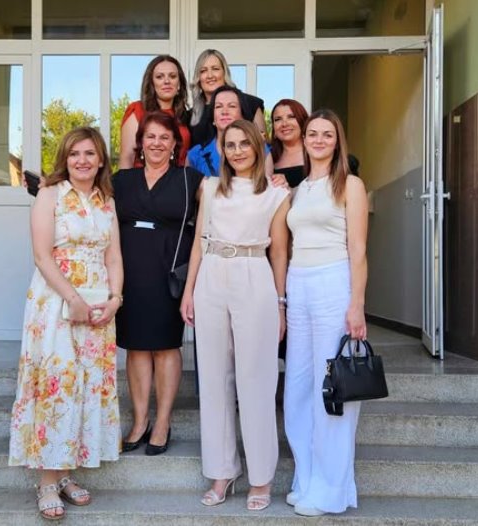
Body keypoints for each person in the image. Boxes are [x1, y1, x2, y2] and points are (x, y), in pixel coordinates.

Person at [9, 127, 123, 521]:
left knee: (85, 385)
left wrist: (115, 300)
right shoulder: (50, 195)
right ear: (65, 159)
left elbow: (114, 257)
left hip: (97, 306)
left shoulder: (107, 201)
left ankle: (65, 473)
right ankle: (46, 481)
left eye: (90, 153)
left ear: (101, 159)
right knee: (57, 384)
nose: (82, 161)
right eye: (75, 154)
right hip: (56, 301)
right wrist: (72, 299)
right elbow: (42, 256)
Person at [180, 119, 290, 511]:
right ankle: (222, 471)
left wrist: (280, 303)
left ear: (258, 146)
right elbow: (197, 243)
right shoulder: (210, 187)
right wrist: (189, 291)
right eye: (230, 145)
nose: (238, 150)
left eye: (245, 143)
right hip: (211, 273)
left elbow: (279, 251)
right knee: (213, 378)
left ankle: (261, 477)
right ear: (222, 151)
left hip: (254, 273)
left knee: (256, 379)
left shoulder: (276, 194)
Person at [283, 109, 368, 516]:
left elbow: (359, 250)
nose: (318, 139)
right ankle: (307, 477)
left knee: (331, 386)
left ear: (338, 141)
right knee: (298, 386)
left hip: (333, 283)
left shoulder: (350, 184)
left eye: (327, 134)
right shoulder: (298, 189)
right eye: (312, 133)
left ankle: (331, 489)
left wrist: (357, 304)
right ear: (303, 140)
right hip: (297, 284)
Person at [113, 111, 204, 456]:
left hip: (169, 272)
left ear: (175, 145)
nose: (157, 143)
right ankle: (140, 421)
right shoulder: (121, 180)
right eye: (150, 136)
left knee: (166, 346)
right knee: (136, 346)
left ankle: (162, 422)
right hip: (129, 271)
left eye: (164, 138)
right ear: (140, 143)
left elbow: (230, 194)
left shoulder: (191, 180)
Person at [119, 55, 191, 169]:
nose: (167, 81)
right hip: (141, 178)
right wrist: (124, 180)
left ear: (179, 84)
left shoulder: (185, 116)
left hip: (179, 178)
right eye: (159, 77)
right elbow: (127, 157)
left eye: (172, 76)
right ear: (152, 83)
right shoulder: (137, 110)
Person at [187, 85, 273, 178]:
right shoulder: (196, 154)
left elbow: (267, 184)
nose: (224, 111)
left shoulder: (260, 148)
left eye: (232, 106)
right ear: (213, 117)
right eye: (218, 106)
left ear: (242, 115)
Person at [189, 49, 266, 146]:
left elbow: (262, 147)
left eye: (215, 69)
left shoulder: (250, 104)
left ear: (224, 72)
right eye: (203, 71)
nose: (210, 75)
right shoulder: (190, 116)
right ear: (198, 77)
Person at [271, 98, 309, 188]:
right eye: (278, 119)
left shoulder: (316, 153)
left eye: (291, 117)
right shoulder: (268, 158)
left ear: (303, 121)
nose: (284, 124)